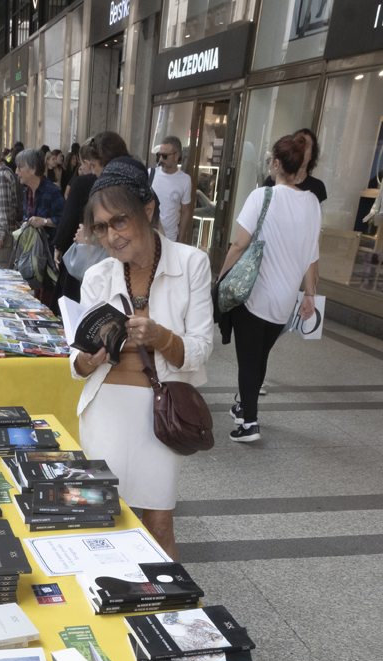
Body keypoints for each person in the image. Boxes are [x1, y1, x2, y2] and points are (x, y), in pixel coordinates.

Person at [71, 157, 213, 560]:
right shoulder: (99, 277)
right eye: (101, 226)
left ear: (147, 210)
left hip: (161, 411)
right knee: (102, 517)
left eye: (120, 221)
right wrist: (88, 360)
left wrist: (162, 337)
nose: (111, 237)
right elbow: (75, 361)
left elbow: (201, 347)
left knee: (159, 522)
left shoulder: (192, 264)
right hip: (106, 412)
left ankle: (163, 608)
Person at [220, 132, 321, 443]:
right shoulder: (312, 203)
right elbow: (311, 255)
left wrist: (221, 277)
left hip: (253, 296)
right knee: (259, 357)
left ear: (277, 164)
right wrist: (309, 294)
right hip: (284, 301)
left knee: (249, 360)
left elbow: (239, 244)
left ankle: (249, 423)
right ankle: (243, 406)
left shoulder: (261, 196)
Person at [54, 133, 129, 303]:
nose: (93, 171)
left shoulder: (123, 188)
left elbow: (123, 234)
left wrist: (90, 236)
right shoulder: (104, 185)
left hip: (116, 271)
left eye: (94, 165)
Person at [17, 148, 65, 246]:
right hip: (32, 250)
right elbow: (27, 216)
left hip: (48, 252)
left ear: (32, 169)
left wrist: (44, 221)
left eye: (20, 167)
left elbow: (64, 220)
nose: (16, 171)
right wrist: (26, 222)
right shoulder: (27, 192)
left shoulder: (52, 191)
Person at [264, 129, 327, 203]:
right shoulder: (271, 181)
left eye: (306, 147)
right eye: (297, 146)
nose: (301, 150)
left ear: (312, 154)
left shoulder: (317, 186)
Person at [150, 136, 192, 243]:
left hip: (170, 239)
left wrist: (181, 240)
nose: (160, 159)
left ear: (176, 155)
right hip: (148, 236)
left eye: (164, 156)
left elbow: (185, 212)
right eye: (159, 155)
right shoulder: (150, 174)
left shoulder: (185, 180)